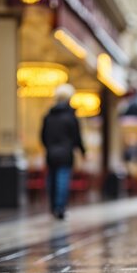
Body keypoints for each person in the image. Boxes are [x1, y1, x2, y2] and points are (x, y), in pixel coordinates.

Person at [41, 84, 85, 219]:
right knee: (62, 180)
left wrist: (49, 147)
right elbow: (77, 137)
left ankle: (53, 207)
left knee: (52, 180)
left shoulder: (48, 116)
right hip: (66, 153)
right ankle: (60, 208)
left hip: (51, 153)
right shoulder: (71, 117)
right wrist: (83, 151)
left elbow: (42, 136)